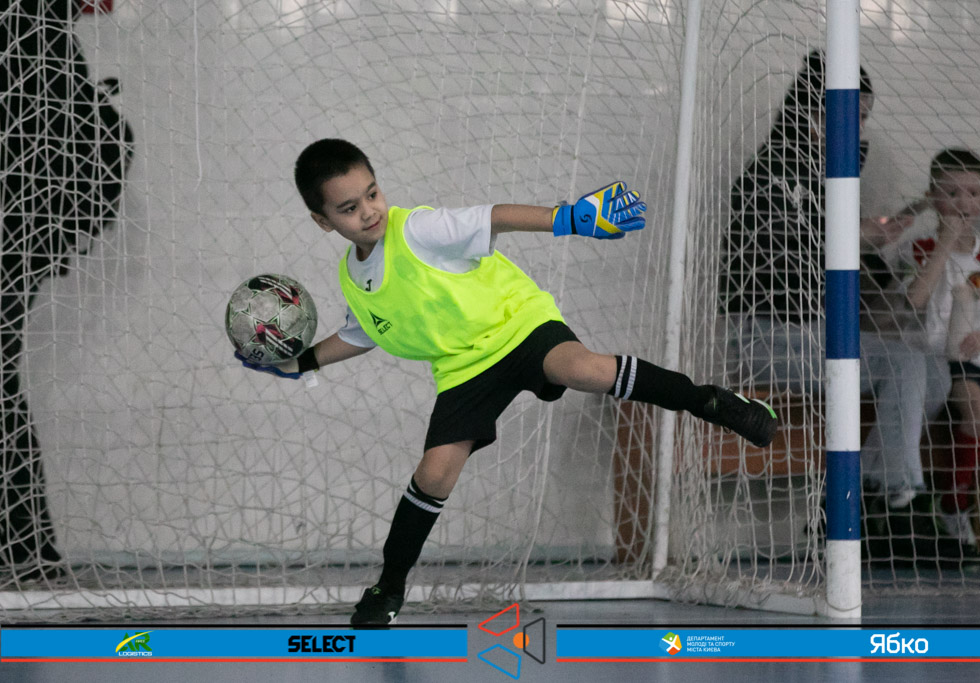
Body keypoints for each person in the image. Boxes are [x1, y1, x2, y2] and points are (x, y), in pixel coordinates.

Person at [236, 138, 778, 625]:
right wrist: (301, 362)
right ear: (323, 221)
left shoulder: (418, 229)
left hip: (519, 324)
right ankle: (389, 586)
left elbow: (493, 218)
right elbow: (363, 333)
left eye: (372, 194)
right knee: (434, 473)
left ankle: (711, 402)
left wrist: (569, 217)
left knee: (584, 370)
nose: (368, 211)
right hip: (464, 368)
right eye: (349, 208)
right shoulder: (352, 275)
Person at [720, 50, 951, 557]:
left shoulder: (828, 180)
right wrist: (852, 237)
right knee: (904, 364)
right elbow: (781, 262)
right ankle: (899, 500)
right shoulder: (773, 172)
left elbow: (861, 275)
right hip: (761, 334)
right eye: (851, 114)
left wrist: (896, 229)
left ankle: (859, 496)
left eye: (864, 117)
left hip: (812, 336)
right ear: (811, 109)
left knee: (936, 373)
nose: (859, 128)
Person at [1, 1, 134, 585]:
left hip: (18, 235)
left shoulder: (33, 35)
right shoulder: (39, 34)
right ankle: (25, 546)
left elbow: (102, 140)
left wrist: (56, 233)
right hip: (23, 235)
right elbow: (105, 140)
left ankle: (24, 546)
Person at [893, 148, 980, 556]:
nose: (962, 202)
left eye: (971, 192)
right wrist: (946, 242)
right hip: (943, 358)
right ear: (933, 198)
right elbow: (914, 299)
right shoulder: (917, 249)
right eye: (951, 193)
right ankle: (952, 505)